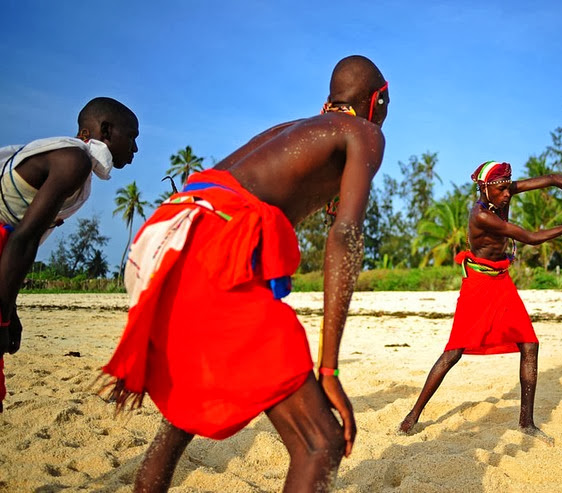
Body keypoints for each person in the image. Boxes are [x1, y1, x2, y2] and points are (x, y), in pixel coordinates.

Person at [101, 55, 389, 492]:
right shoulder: (363, 131)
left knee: (188, 407)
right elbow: (345, 235)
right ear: (379, 100)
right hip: (215, 242)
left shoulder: (291, 129)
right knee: (321, 442)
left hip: (171, 235)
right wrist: (328, 369)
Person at [399, 162, 562, 444]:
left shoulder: (503, 193)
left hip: (502, 280)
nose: (507, 194)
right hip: (478, 284)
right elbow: (532, 239)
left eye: (509, 188)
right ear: (485, 188)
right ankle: (413, 416)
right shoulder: (481, 215)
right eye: (501, 190)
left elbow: (553, 178)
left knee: (529, 344)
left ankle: (526, 423)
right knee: (454, 352)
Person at [0, 97, 139, 411]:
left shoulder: (76, 165)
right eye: (131, 137)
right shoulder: (73, 161)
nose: (135, 148)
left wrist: (10, 309)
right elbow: (23, 239)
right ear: (105, 130)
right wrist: (3, 320)